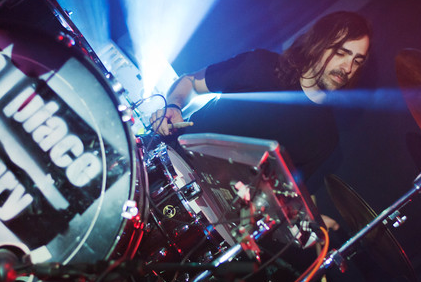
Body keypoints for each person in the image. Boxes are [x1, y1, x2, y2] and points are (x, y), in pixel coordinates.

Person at [149, 10, 371, 190]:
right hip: (170, 164)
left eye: (357, 61)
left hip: (216, 219)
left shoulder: (326, 137)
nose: (348, 68)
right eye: (342, 53)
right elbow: (190, 81)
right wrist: (173, 106)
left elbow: (291, 195)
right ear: (318, 44)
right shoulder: (261, 66)